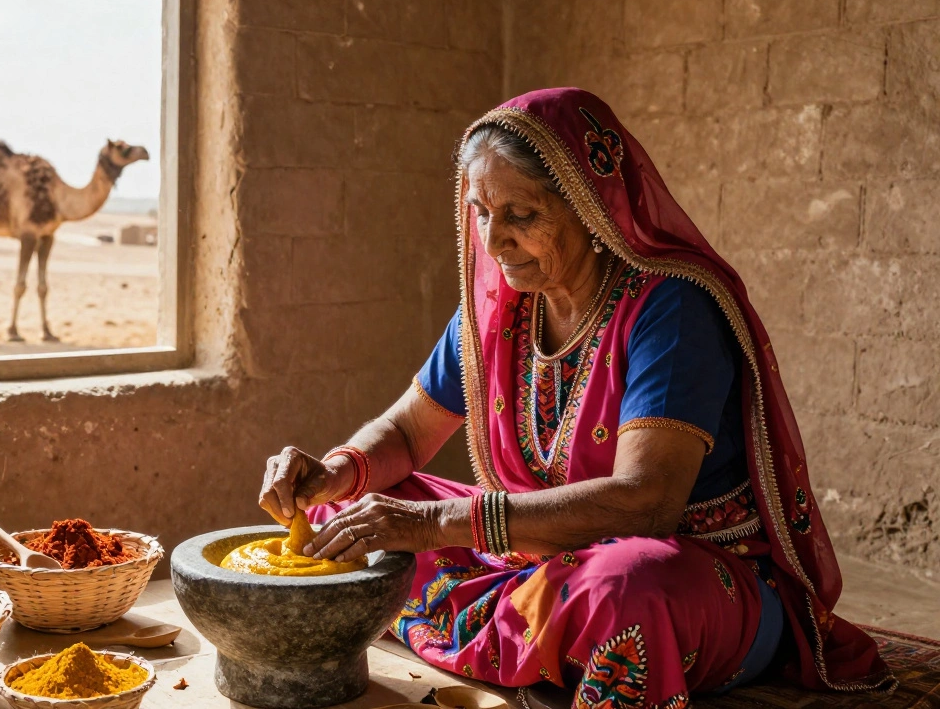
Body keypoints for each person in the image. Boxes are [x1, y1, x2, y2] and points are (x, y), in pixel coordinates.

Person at [258, 88, 894, 708]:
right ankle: (532, 622)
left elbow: (647, 503)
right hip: (536, 549)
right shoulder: (495, 314)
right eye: (480, 212)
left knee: (627, 594)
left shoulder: (671, 308)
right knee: (345, 509)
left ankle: (519, 621)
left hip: (693, 570)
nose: (493, 240)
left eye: (521, 215)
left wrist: (435, 525)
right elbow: (403, 435)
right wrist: (336, 471)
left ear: (594, 208)